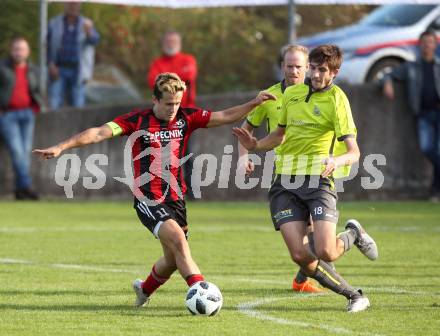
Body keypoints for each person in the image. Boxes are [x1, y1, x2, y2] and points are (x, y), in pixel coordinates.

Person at [34, 72, 275, 307]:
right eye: (169, 103)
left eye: (178, 103)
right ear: (155, 100)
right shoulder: (136, 120)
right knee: (179, 241)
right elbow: (98, 132)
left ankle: (144, 288)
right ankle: (202, 291)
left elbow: (224, 115)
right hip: (148, 198)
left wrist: (254, 103)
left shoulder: (186, 117)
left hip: (176, 197)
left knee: (172, 259)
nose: (173, 109)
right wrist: (61, 147)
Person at [234, 45, 378, 313]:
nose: (314, 74)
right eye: (312, 68)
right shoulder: (293, 95)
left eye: (321, 70)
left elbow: (354, 152)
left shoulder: (338, 100)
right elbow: (279, 135)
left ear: (334, 72)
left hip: (318, 181)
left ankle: (353, 233)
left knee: (326, 251)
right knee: (300, 255)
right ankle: (353, 295)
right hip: (284, 183)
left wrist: (336, 160)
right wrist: (253, 147)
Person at [383, 30, 440, 201]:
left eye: (430, 42)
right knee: (427, 148)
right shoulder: (411, 67)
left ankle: (435, 191)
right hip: (424, 115)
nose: (427, 45)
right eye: (424, 42)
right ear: (419, 45)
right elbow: (388, 74)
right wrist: (387, 83)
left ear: (435, 44)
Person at [0, 37, 41, 200]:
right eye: (16, 49)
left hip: (27, 114)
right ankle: (26, 187)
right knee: (17, 152)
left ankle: (19, 191)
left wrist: (37, 106)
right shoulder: (2, 68)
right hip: (8, 115)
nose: (19, 52)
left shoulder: (33, 70)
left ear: (27, 52)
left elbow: (37, 89)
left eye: (22, 49)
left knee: (25, 153)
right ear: (11, 51)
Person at [47, 1, 100, 110]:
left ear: (79, 5)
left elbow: (95, 41)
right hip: (59, 68)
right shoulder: (54, 23)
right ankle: (57, 127)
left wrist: (89, 31)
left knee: (78, 105)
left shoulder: (85, 23)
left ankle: (77, 128)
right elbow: (46, 46)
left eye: (75, 3)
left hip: (78, 70)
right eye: (70, 3)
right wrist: (50, 64)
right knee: (54, 104)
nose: (72, 5)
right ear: (64, 4)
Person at [147, 31, 197, 108]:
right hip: (163, 111)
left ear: (179, 43)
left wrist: (163, 80)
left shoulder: (188, 59)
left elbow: (189, 76)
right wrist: (179, 77)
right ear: (163, 44)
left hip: (187, 109)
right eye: (168, 42)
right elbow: (152, 82)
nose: (171, 44)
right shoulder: (157, 63)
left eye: (174, 41)